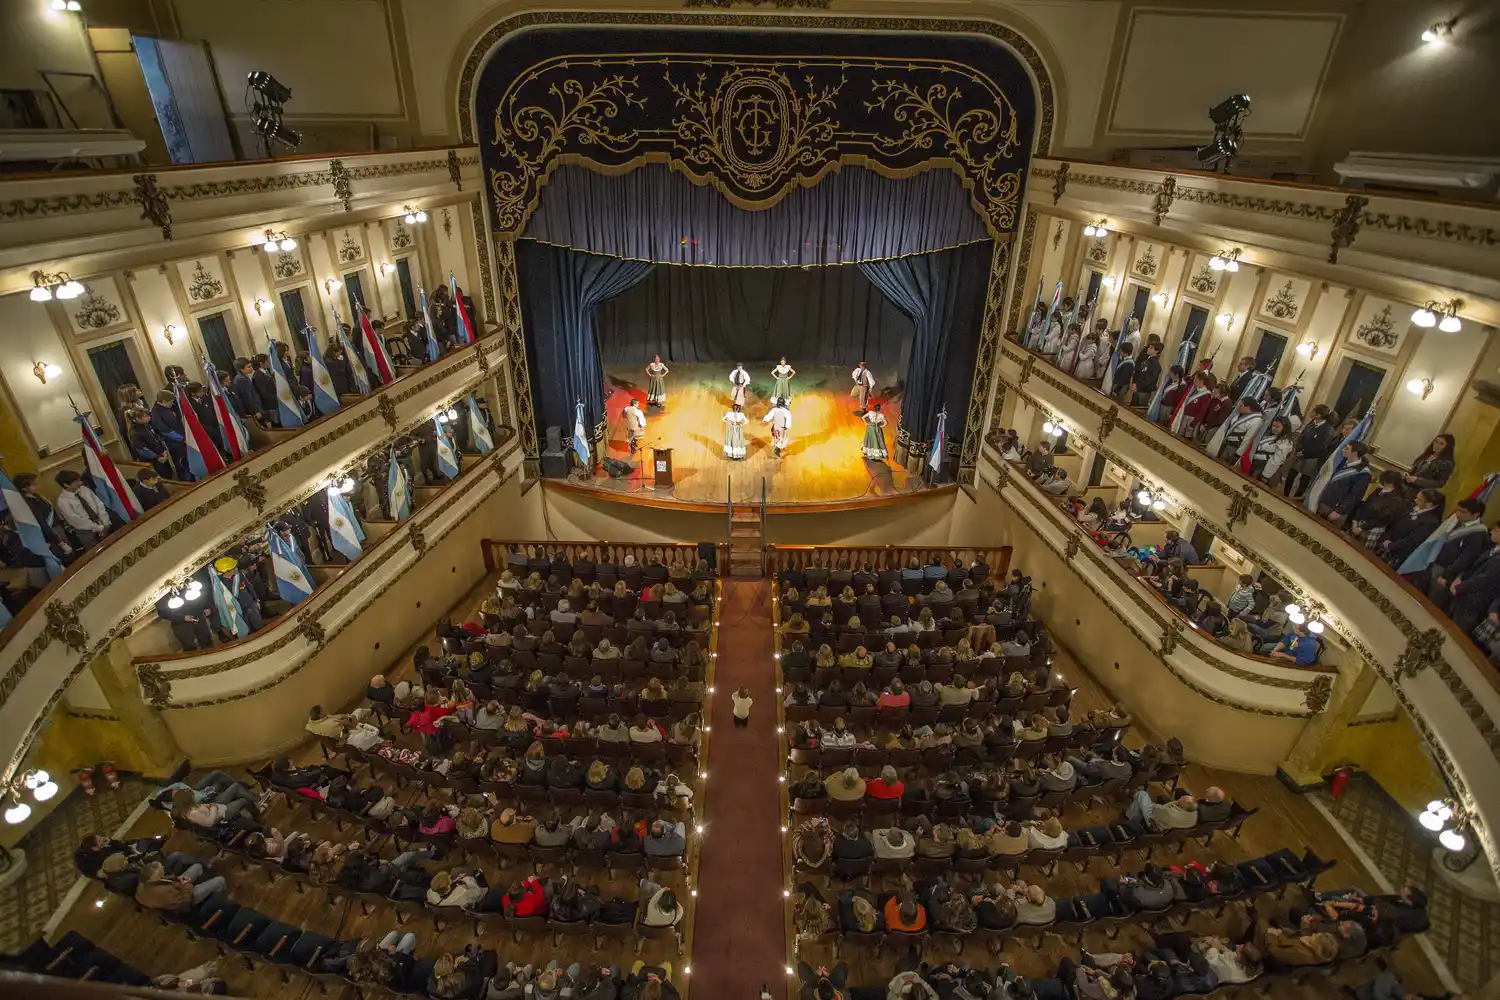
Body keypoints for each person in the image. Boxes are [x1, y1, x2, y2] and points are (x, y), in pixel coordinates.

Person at [1285, 404, 1338, 497]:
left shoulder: (1328, 429)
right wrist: (1298, 448)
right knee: (1291, 474)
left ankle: (1296, 498)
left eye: (1313, 411)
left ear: (1319, 415)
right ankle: (1285, 495)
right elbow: (1303, 436)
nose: (1311, 412)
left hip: (1313, 457)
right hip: (1300, 454)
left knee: (1304, 479)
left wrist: (1305, 453)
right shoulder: (1312, 422)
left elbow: (1322, 447)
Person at [1317, 441, 1373, 524]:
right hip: (1325, 501)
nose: (1343, 450)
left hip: (1336, 511)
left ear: (1354, 453)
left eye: (1347, 449)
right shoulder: (1343, 461)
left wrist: (1340, 511)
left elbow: (1355, 496)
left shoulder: (1363, 474)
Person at [53, 470, 114, 545]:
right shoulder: (62, 501)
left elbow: (99, 504)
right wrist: (98, 528)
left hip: (102, 523)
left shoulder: (84, 489)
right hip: (86, 532)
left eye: (79, 480)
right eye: (76, 481)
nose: (80, 482)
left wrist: (105, 522)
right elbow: (75, 520)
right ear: (66, 485)